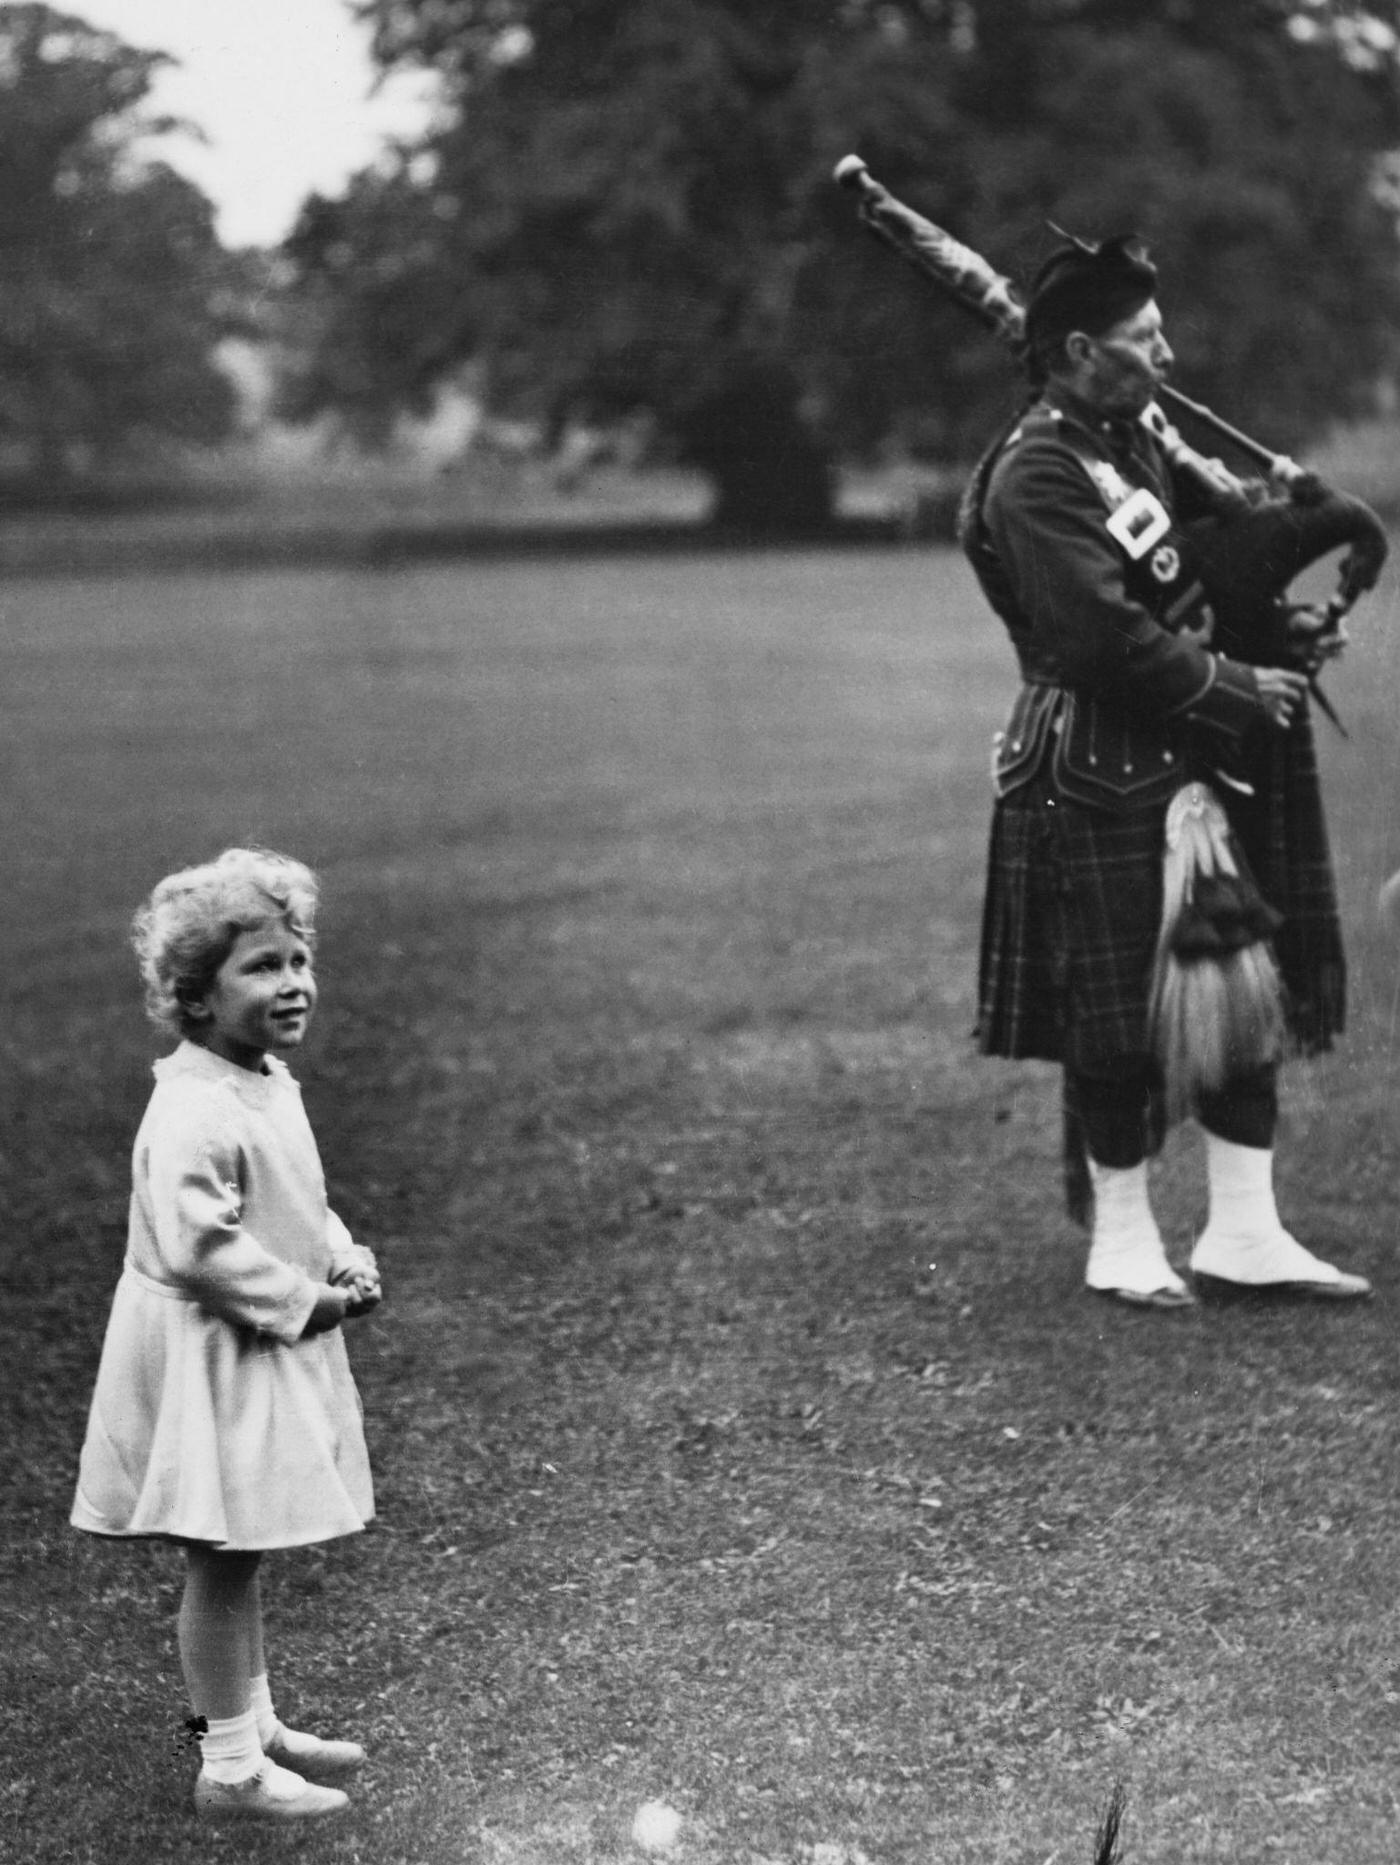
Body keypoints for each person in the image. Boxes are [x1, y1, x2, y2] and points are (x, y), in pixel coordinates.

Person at [959, 232, 1372, 1309]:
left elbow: (1191, 575)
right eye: (1146, 337)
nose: (1168, 354)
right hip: (1091, 756)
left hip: (1191, 745)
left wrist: (1274, 601)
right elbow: (1096, 636)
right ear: (1083, 349)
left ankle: (1243, 1231)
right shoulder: (1034, 472)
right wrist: (1237, 690)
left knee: (1236, 987)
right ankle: (1122, 1239)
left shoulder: (1129, 438)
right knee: (1113, 1009)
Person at [71, 847, 382, 1822]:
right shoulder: (195, 1107)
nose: (292, 982)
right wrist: (309, 1301)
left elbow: (293, 1195)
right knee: (223, 1554)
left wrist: (339, 1249)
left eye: (298, 960)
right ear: (193, 998)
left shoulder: (259, 1076)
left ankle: (250, 1719)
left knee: (239, 1550)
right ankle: (233, 1767)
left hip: (250, 1338)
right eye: (261, 966)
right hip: (213, 1349)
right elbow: (203, 1246)